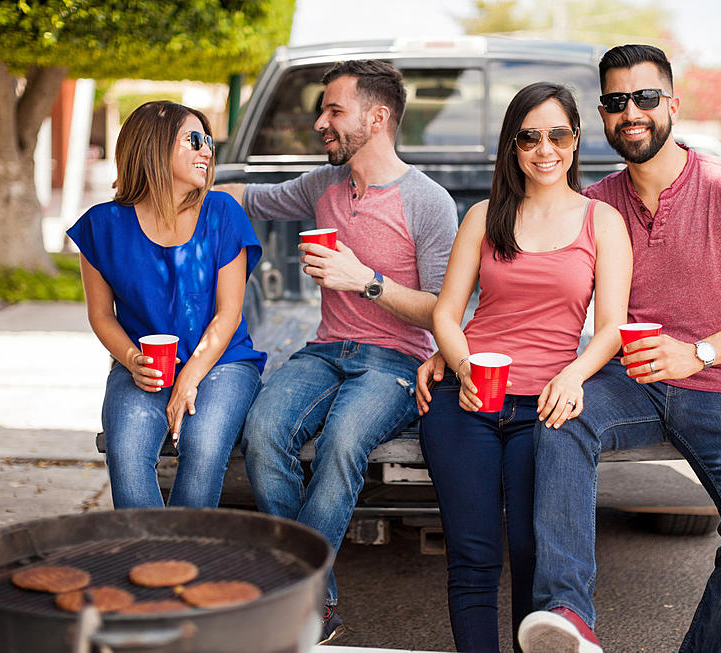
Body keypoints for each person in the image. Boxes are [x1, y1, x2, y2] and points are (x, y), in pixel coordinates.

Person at [515, 45, 721, 653]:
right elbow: (530, 294)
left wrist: (698, 352)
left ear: (672, 104)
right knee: (559, 419)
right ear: (602, 113)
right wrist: (450, 344)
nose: (633, 113)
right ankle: (568, 616)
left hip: (720, 387)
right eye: (617, 102)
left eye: (646, 98)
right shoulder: (595, 204)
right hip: (628, 383)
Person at [219, 60, 458, 643]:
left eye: (334, 110)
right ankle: (310, 602)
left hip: (397, 361)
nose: (320, 122)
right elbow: (251, 196)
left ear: (377, 119)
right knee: (265, 428)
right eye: (321, 111)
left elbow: (445, 312)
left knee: (343, 440)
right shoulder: (323, 184)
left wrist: (365, 280)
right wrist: (173, 182)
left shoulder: (428, 202)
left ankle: (290, 598)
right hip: (325, 350)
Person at [415, 82, 632, 653]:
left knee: (535, 558)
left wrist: (574, 375)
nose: (544, 149)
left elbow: (611, 325)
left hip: (547, 407)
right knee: (473, 555)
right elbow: (446, 312)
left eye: (557, 135)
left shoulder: (601, 221)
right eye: (529, 137)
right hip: (469, 402)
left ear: (576, 140)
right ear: (513, 146)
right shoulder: (486, 217)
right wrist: (461, 368)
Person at [67, 101, 265, 509]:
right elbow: (101, 315)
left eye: (208, 140)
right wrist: (130, 357)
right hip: (142, 363)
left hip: (223, 362)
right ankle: (151, 558)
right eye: (194, 140)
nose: (207, 150)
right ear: (154, 146)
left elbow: (229, 314)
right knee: (125, 453)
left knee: (205, 449)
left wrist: (189, 379)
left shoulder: (222, 212)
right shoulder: (101, 226)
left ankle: (183, 562)